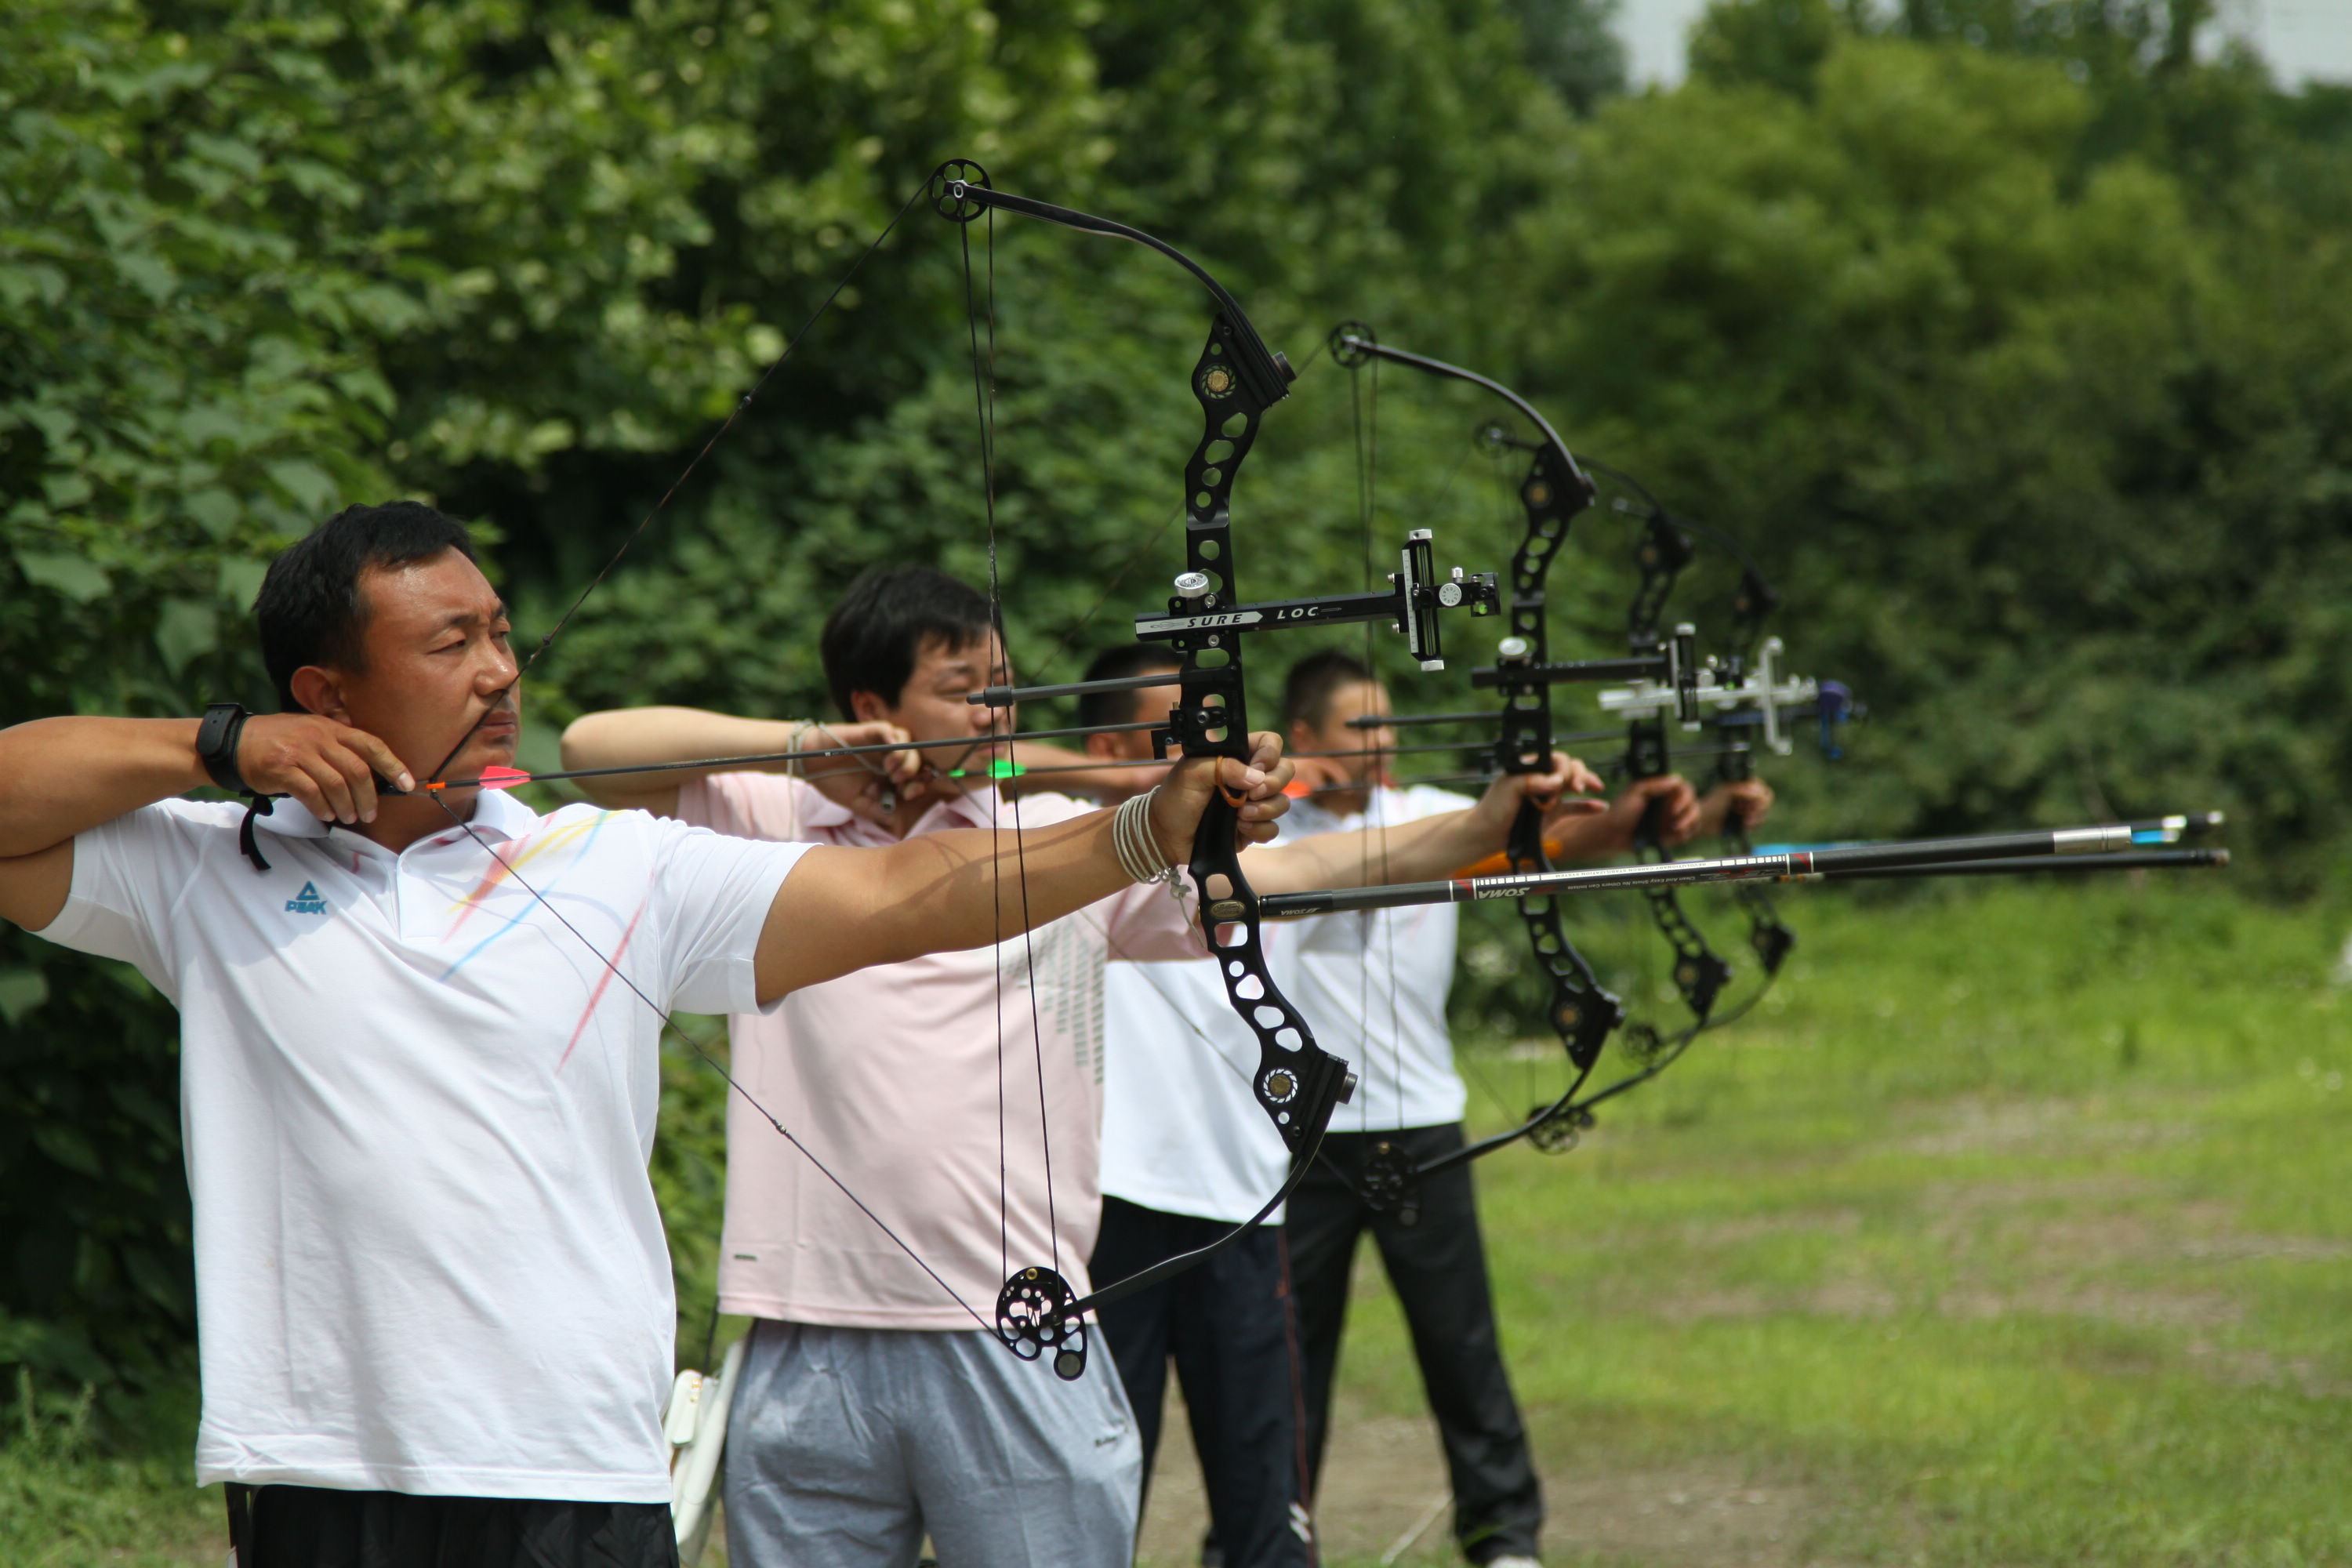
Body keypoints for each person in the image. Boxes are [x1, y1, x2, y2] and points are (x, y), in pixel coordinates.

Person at [0, 502, 1298, 1568]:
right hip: (317, 1470)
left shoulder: (612, 864)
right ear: (324, 693)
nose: (501, 671)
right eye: (452, 643)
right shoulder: (205, 872)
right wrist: (218, 746)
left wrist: (1145, 827)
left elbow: (913, 897)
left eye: (502, 633)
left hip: (577, 1473)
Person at [557, 578, 1601, 1568]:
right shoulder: (771, 824)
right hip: (804, 1337)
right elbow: (588, 751)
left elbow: (1299, 872)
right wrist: (803, 752)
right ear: (873, 704)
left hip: (1016, 1323)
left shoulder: (1059, 848)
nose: (998, 713)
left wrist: (1480, 828)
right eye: (966, 691)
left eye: (1007, 686)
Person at [1274, 650, 1719, 1568]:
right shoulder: (1266, 838)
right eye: (1362, 728)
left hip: (1422, 1120)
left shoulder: (1433, 815)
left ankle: (1503, 1532)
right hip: (1301, 1138)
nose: (1385, 743)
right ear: (1307, 737)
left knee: (1460, 1341)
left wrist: (1663, 812)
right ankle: (1268, 1534)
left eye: (1391, 723)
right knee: (1285, 1360)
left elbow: (1555, 841)